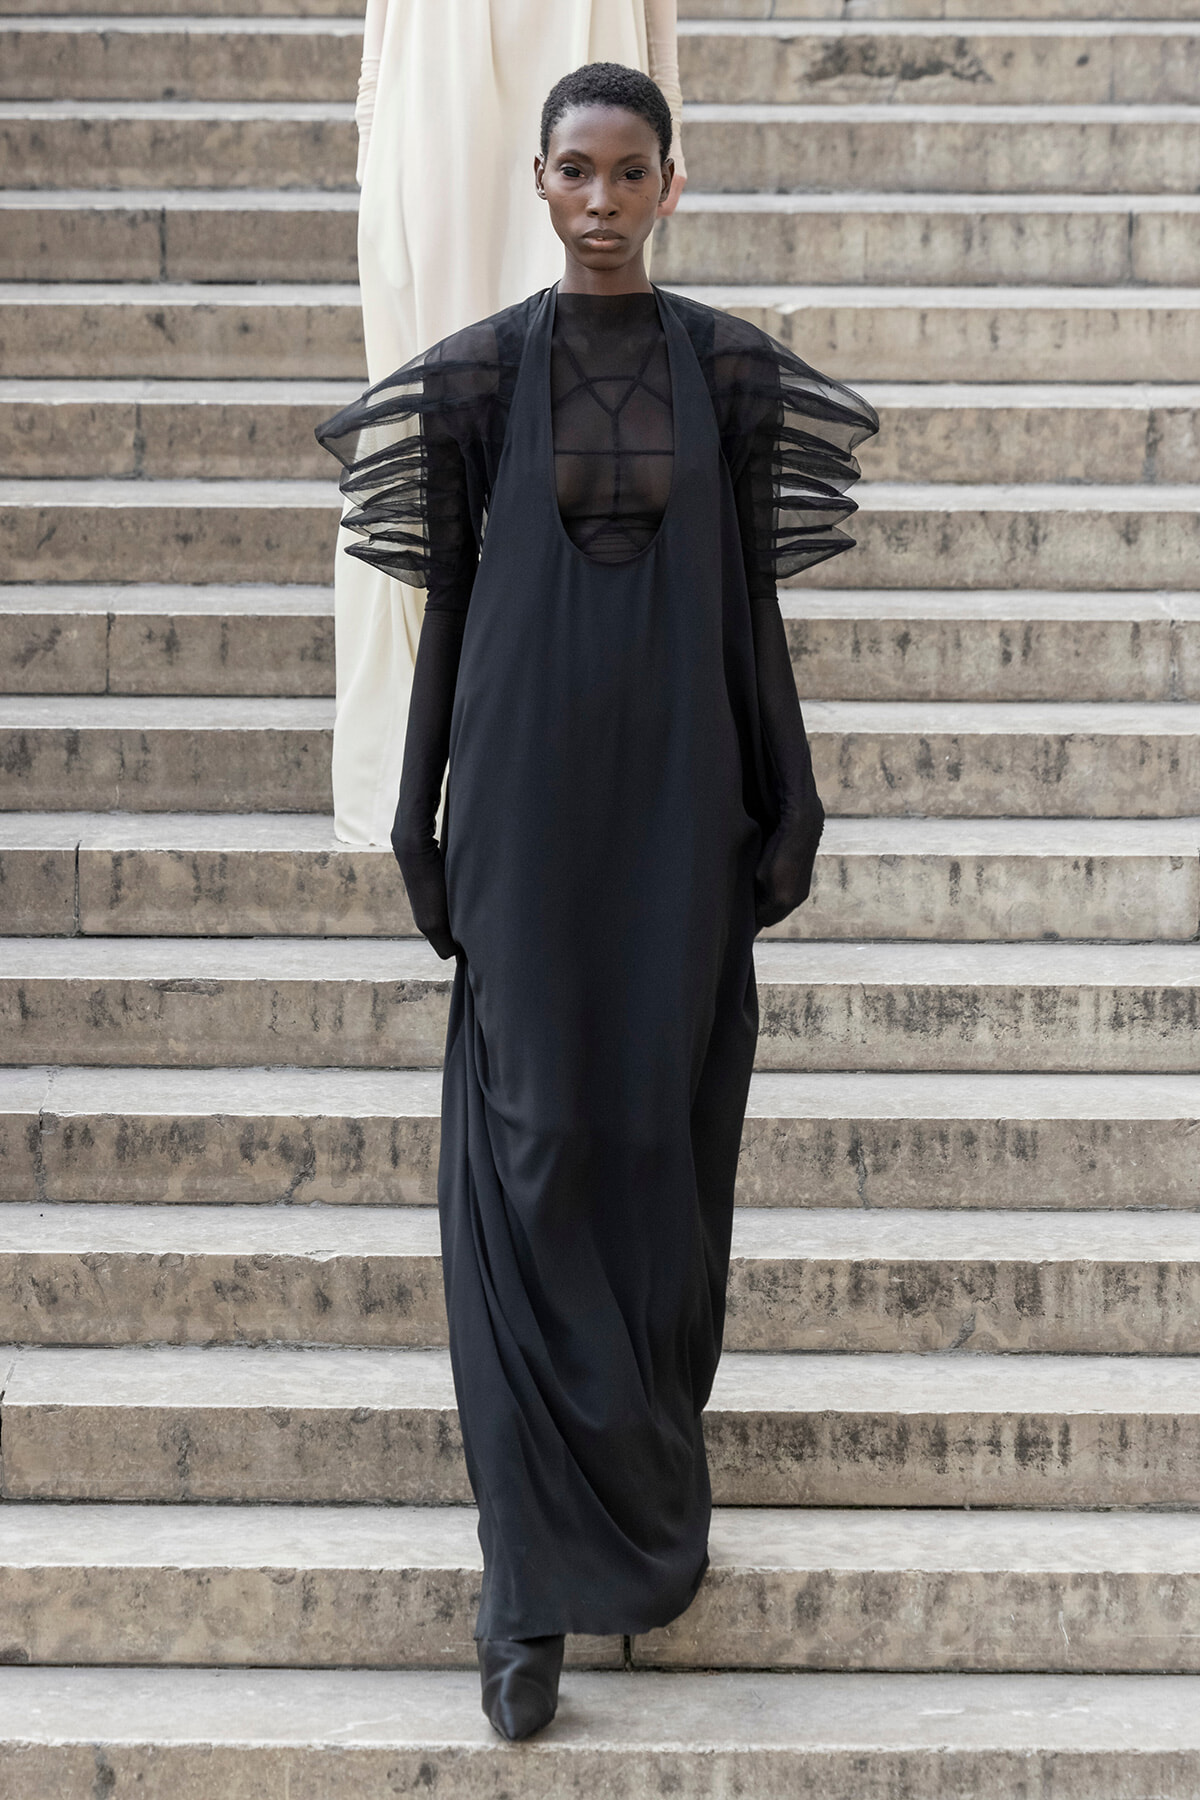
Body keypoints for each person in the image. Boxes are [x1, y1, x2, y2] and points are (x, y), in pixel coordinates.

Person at [318, 62, 877, 1741]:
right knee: (531, 1151)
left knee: (658, 1148)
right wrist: (416, 815)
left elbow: (752, 615)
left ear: (671, 185)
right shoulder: (481, 379)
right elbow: (449, 615)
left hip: (681, 814)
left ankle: (628, 1485)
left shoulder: (727, 370)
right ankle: (525, 1596)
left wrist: (797, 781)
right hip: (523, 813)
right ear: (543, 186)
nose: (605, 198)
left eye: (635, 172)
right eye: (579, 171)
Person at [337, 0, 687, 844]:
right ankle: (420, 768)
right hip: (436, 62)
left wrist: (671, 98)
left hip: (589, 31)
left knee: (583, 390)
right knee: (430, 418)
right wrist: (373, 112)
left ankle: (569, 748)